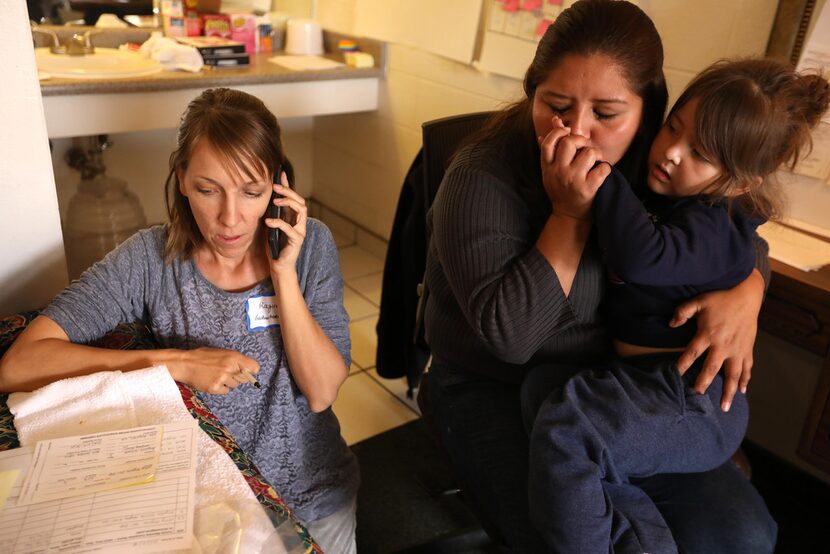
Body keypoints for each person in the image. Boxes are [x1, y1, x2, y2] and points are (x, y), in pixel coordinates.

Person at [421, 1, 777, 551]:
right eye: (555, 104)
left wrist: (747, 291)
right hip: (491, 383)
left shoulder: (657, 161)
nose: (577, 130)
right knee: (571, 533)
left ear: (648, 109)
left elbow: (737, 235)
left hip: (614, 390)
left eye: (606, 114)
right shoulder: (480, 178)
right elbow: (514, 340)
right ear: (530, 91)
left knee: (742, 536)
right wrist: (568, 215)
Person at [0, 88, 359, 553]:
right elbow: (19, 364)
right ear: (183, 179)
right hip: (207, 504)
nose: (230, 219)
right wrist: (178, 363)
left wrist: (283, 273)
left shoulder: (310, 246)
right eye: (209, 190)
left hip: (316, 497)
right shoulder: (150, 260)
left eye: (252, 192)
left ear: (278, 184)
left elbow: (322, 391)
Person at [525, 58, 830, 553]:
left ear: (738, 184)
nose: (668, 152)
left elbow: (645, 257)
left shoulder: (714, 223)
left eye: (700, 154)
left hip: (693, 399)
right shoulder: (669, 183)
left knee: (568, 430)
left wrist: (600, 176)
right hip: (646, 383)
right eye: (672, 127)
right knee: (542, 389)